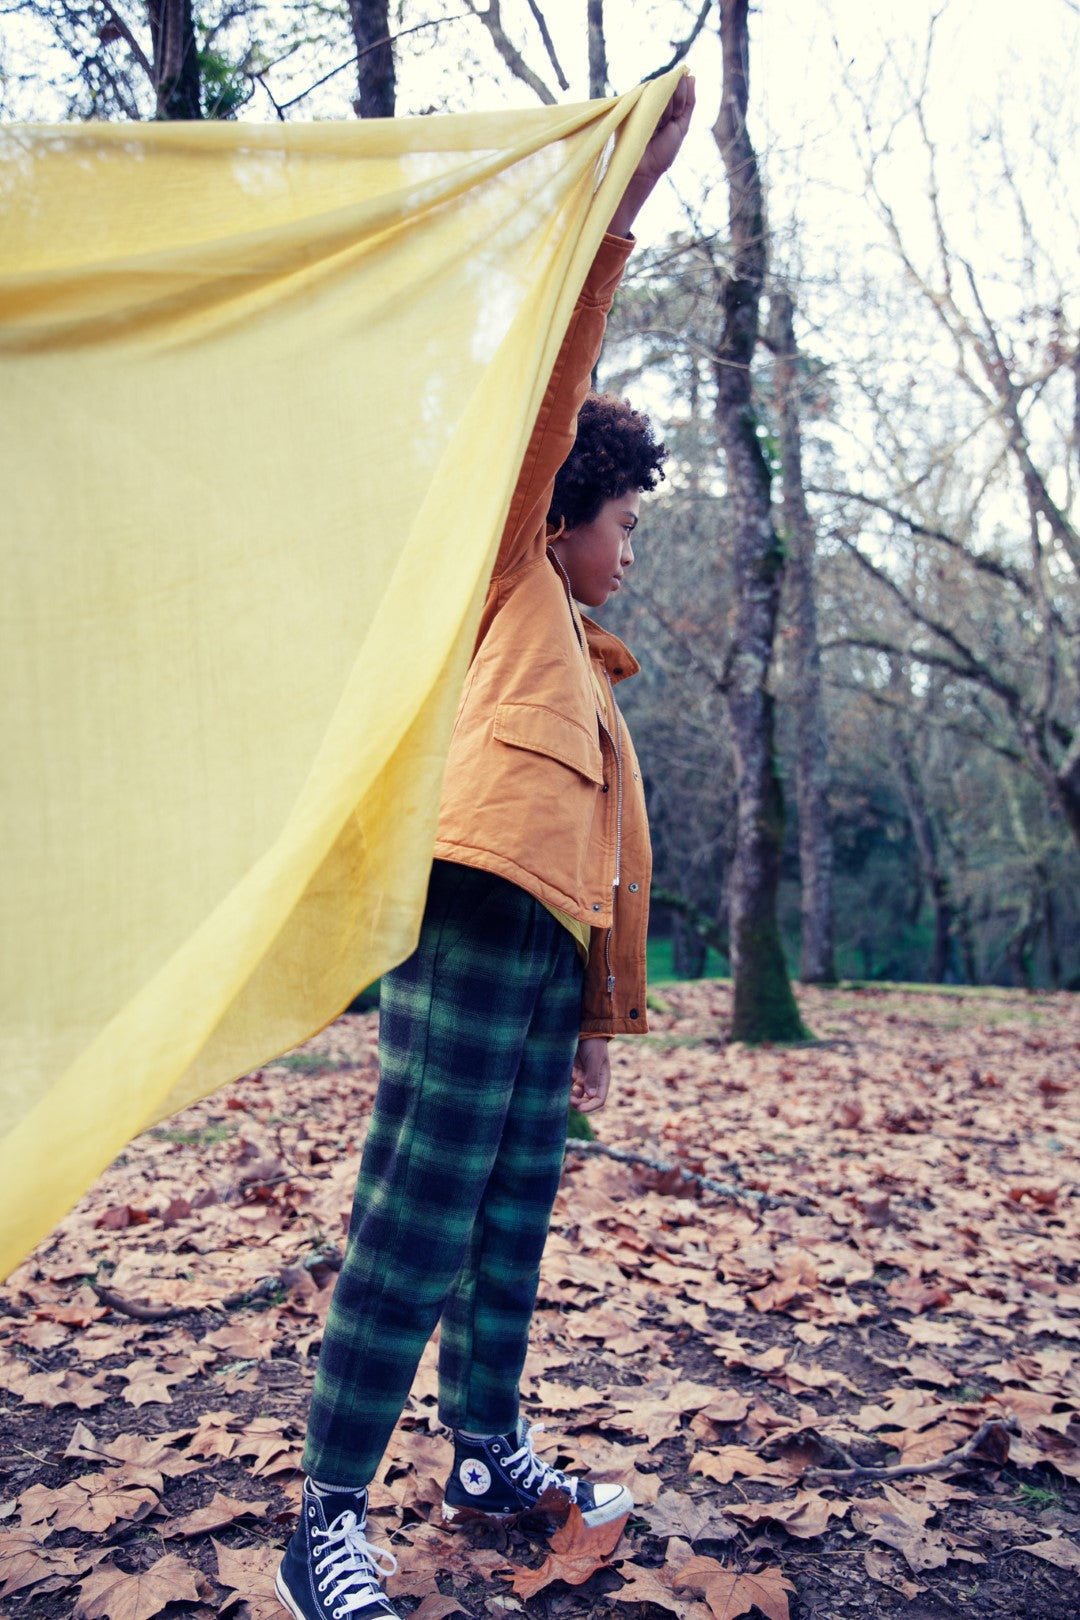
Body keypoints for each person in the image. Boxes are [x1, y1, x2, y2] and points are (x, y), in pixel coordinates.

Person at [276, 74, 695, 1620]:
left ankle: (484, 1451)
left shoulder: (594, 678)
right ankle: (323, 1510)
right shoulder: (512, 583)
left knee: (513, 1212)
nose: (630, 547)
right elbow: (550, 385)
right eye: (625, 521)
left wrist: (597, 1029)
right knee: (419, 1206)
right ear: (567, 510)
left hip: (538, 971)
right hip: (465, 928)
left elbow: (604, 876)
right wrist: (620, 211)